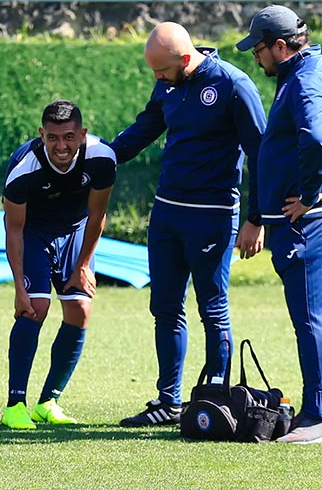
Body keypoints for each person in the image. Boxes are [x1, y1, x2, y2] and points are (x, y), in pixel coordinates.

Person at [111, 22, 266, 427]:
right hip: (166, 213)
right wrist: (97, 159)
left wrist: (256, 217)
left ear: (184, 59)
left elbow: (260, 154)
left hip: (212, 216)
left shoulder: (233, 84)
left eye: (161, 71)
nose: (157, 79)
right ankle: (169, 401)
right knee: (164, 308)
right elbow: (143, 130)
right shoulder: (168, 82)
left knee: (212, 308)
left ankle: (216, 398)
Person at [236, 5, 322, 444]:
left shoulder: (305, 80)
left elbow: (316, 138)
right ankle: (315, 412)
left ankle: (321, 417)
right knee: (308, 316)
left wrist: (307, 194)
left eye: (259, 49)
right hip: (301, 219)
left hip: (312, 221)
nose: (256, 57)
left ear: (280, 46)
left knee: (311, 318)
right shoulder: (300, 72)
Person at [1, 100, 116, 429]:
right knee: (34, 308)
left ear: (82, 134)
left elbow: (97, 215)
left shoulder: (102, 159)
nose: (61, 146)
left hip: (76, 230)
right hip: (33, 233)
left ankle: (48, 401)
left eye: (68, 137)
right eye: (52, 138)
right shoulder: (24, 168)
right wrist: (18, 289)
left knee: (80, 310)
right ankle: (15, 404)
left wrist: (83, 266)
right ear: (41, 135)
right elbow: (14, 229)